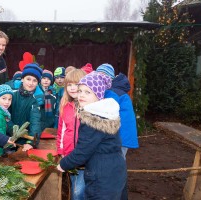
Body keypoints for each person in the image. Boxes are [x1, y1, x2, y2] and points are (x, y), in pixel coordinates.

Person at [57, 71, 126, 200]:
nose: (81, 95)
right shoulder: (106, 113)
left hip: (101, 175)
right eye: (80, 91)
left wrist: (63, 164)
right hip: (115, 171)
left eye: (88, 92)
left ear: (98, 95)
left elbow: (82, 152)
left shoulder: (92, 119)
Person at [96, 63, 139, 200]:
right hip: (122, 136)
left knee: (115, 169)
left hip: (120, 137)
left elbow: (106, 115)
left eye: (103, 76)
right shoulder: (118, 90)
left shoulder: (112, 93)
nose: (100, 78)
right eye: (98, 75)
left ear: (110, 78)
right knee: (119, 167)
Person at [56, 69, 86, 200]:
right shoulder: (66, 106)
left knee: (79, 192)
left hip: (85, 157)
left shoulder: (88, 107)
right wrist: (61, 150)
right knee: (74, 187)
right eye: (69, 85)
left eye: (76, 84)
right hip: (70, 155)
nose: (72, 88)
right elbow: (61, 131)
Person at [8, 62, 42, 151]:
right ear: (22, 79)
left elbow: (35, 122)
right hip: (6, 138)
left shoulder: (35, 101)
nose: (31, 83)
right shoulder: (11, 94)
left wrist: (31, 142)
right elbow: (4, 114)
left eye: (35, 80)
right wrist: (13, 131)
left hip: (23, 140)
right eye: (28, 79)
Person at [0, 84, 14, 157]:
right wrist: (8, 144)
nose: (7, 102)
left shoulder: (2, 112)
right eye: (4, 98)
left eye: (9, 99)